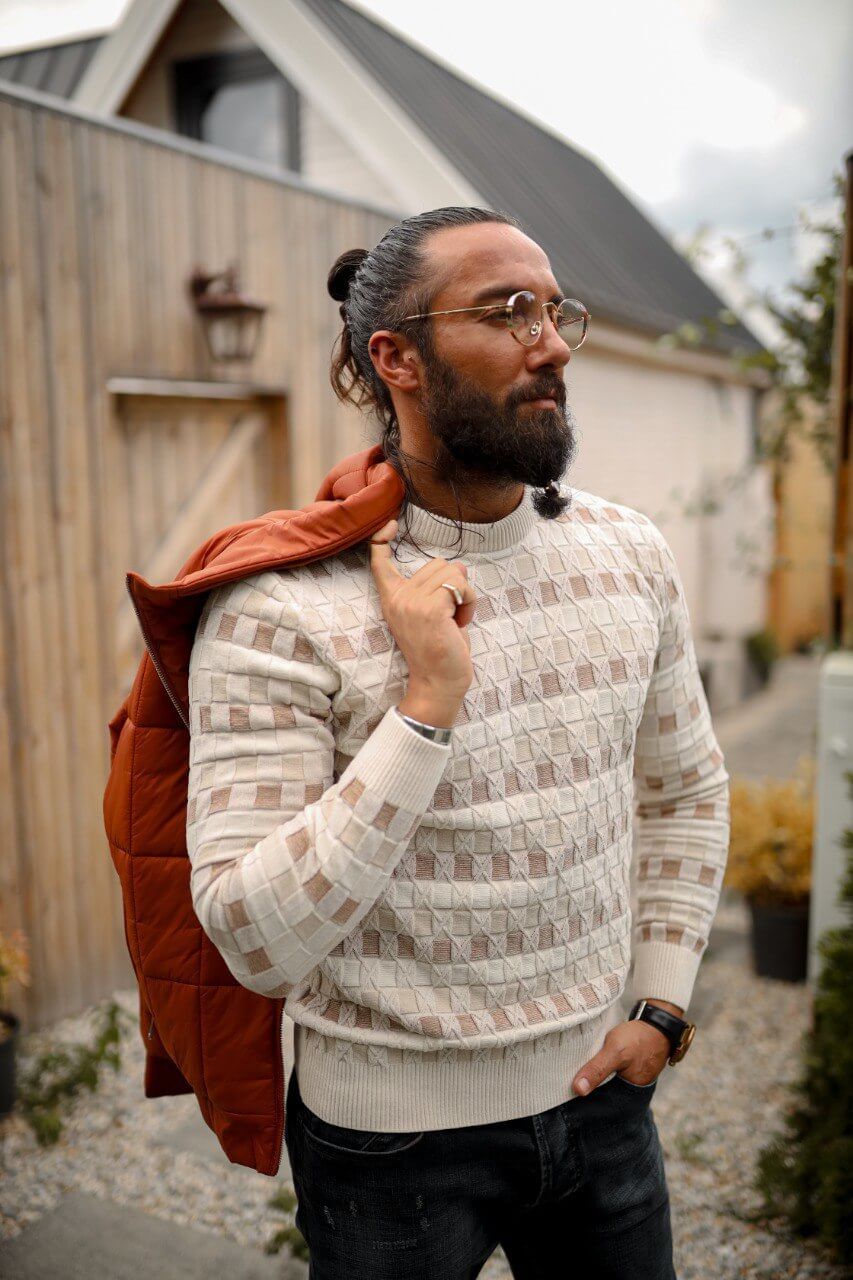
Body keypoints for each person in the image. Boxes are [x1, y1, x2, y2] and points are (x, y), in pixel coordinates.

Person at [185, 206, 730, 1279]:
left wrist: (661, 1002)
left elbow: (684, 789)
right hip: (386, 1148)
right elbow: (252, 935)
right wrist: (425, 704)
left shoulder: (631, 553)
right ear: (396, 356)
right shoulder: (279, 608)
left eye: (553, 308)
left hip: (604, 1102)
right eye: (507, 311)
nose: (555, 340)